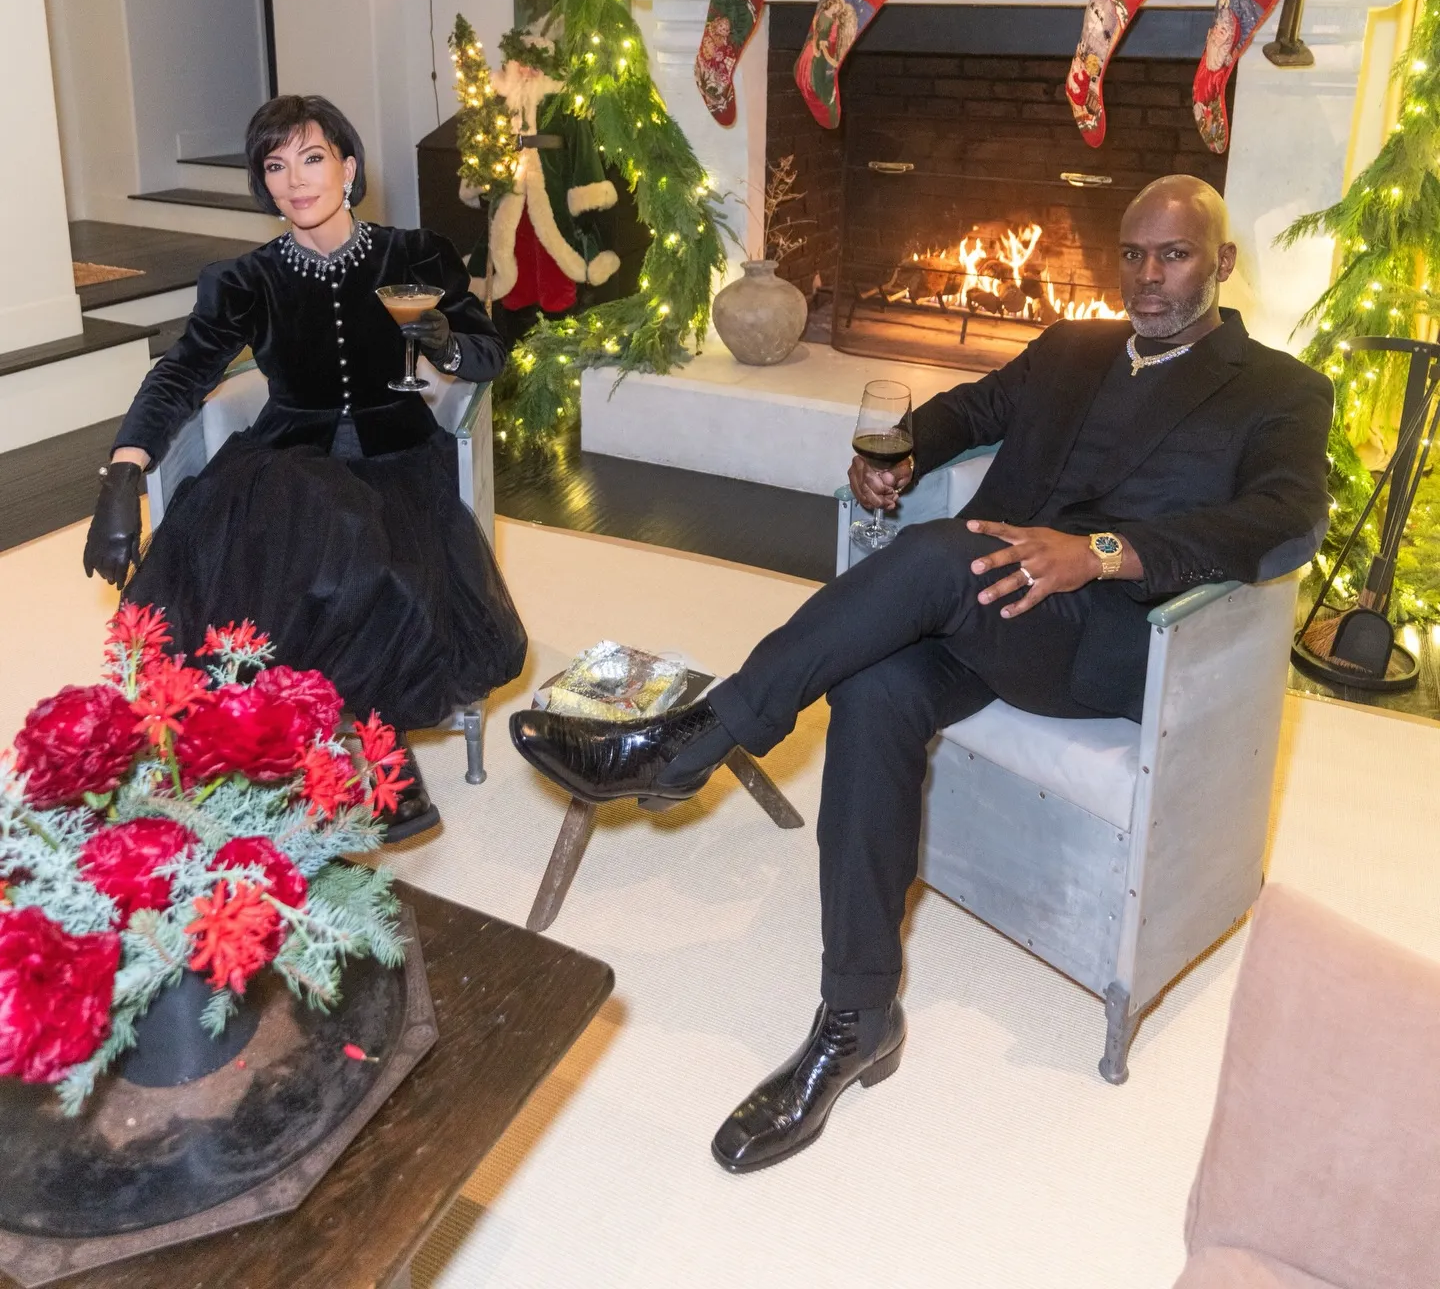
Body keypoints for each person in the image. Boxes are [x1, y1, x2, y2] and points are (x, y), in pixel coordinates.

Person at [509, 175, 1333, 1169]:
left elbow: (1283, 520)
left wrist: (1105, 552)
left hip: (1110, 639)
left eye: (1175, 255)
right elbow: (967, 408)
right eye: (1133, 254)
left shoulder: (1279, 389)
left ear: (1221, 262)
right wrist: (897, 457)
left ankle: (700, 734)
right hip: (987, 613)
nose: (1148, 277)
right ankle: (857, 1021)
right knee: (874, 682)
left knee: (944, 551)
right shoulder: (1072, 347)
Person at [84, 94, 527, 842]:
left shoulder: (413, 254)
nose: (296, 179)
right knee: (321, 528)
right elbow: (180, 375)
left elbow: (487, 353)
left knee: (369, 555)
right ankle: (362, 753)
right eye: (276, 165)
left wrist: (437, 337)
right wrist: (124, 472)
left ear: (349, 167)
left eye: (312, 157)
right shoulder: (246, 279)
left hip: (396, 460)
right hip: (288, 463)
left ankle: (360, 749)